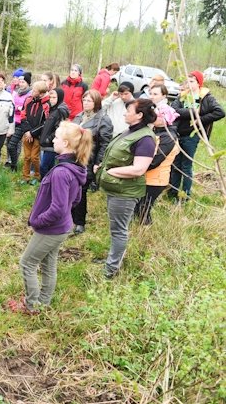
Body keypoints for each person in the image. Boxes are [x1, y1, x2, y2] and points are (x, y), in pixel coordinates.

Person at [7, 122, 91, 314]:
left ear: (67, 144)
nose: (52, 139)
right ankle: (42, 303)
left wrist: (38, 221)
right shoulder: (74, 167)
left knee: (27, 263)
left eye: (56, 137)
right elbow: (75, 199)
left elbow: (59, 208)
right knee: (48, 264)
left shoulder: (61, 172)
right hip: (62, 228)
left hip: (51, 229)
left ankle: (31, 306)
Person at [95, 99, 157, 279]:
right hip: (117, 188)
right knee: (116, 228)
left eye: (128, 110)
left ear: (139, 115)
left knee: (119, 230)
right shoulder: (130, 132)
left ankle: (111, 269)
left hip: (125, 192)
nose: (124, 113)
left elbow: (139, 169)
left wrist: (112, 171)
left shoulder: (145, 138)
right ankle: (113, 259)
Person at [169, 71, 225, 201]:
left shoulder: (206, 97)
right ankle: (173, 191)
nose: (188, 84)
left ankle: (185, 196)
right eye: (187, 81)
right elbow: (174, 110)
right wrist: (193, 113)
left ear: (199, 83)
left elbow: (220, 112)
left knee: (186, 165)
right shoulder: (182, 96)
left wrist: (200, 119)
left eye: (192, 81)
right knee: (176, 164)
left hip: (191, 136)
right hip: (178, 133)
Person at [135, 85, 180, 225]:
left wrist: (136, 168)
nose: (154, 117)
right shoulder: (157, 131)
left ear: (166, 119)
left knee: (143, 208)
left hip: (156, 180)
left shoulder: (168, 136)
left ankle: (146, 233)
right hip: (148, 177)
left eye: (158, 116)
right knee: (140, 208)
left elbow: (156, 160)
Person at [71, 90, 113, 235]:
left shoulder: (103, 119)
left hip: (88, 160)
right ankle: (69, 217)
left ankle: (79, 222)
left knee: (81, 191)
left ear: (96, 102)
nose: (86, 103)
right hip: (72, 158)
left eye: (89, 100)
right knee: (70, 189)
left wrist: (98, 162)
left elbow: (105, 144)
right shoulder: (79, 116)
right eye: (84, 100)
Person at [20, 81, 50, 184]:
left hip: (37, 135)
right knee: (27, 156)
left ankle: (37, 175)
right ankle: (25, 177)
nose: (32, 92)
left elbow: (45, 123)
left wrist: (33, 133)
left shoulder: (46, 104)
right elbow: (23, 115)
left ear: (41, 93)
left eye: (34, 91)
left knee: (34, 157)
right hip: (27, 133)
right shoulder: (28, 100)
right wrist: (27, 131)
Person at [39, 88, 70, 178]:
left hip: (52, 144)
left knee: (44, 166)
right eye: (50, 97)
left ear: (59, 98)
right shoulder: (53, 109)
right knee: (48, 165)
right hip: (47, 143)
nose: (51, 99)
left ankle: (47, 183)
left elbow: (59, 128)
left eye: (54, 97)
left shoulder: (60, 111)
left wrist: (49, 139)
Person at [7, 72, 32, 172]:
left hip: (22, 123)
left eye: (23, 82)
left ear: (28, 83)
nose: (21, 84)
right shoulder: (17, 93)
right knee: (9, 144)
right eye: (20, 82)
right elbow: (12, 105)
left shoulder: (30, 94)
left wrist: (19, 108)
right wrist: (17, 107)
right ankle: (13, 163)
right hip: (13, 121)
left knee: (12, 145)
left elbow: (26, 108)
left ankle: (14, 165)